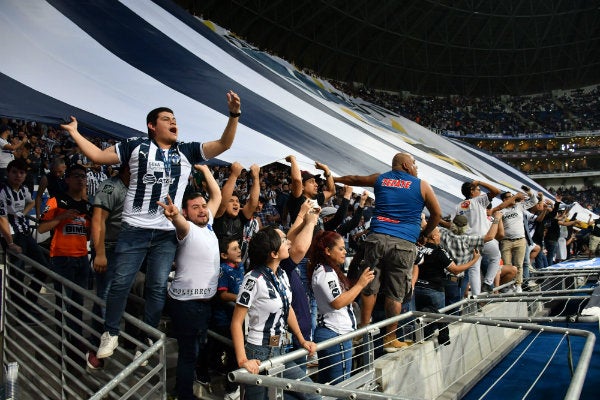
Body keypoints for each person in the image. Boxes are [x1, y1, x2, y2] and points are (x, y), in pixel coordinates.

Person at [60, 91, 241, 359]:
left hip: (166, 234)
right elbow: (97, 157)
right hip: (133, 229)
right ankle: (110, 332)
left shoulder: (188, 151)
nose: (173, 122)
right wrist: (75, 133)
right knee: (120, 283)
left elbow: (224, 144)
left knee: (156, 287)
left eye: (175, 118)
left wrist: (234, 115)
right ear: (152, 126)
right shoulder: (135, 146)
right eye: (166, 118)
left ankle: (146, 337)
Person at [334, 152, 442, 352]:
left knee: (369, 284)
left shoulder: (381, 178)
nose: (416, 167)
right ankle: (390, 339)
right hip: (403, 242)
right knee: (395, 291)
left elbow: (355, 179)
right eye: (414, 164)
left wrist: (334, 179)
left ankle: (362, 330)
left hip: (376, 238)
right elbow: (437, 214)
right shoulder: (421, 185)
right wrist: (424, 234)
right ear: (406, 165)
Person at [231, 226, 320, 400]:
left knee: (311, 393)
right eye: (284, 241)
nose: (289, 242)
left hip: (280, 350)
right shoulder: (253, 279)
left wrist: (302, 340)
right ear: (273, 253)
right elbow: (236, 322)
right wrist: (243, 360)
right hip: (258, 353)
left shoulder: (283, 275)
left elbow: (288, 309)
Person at [157, 164, 221, 400]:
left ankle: (180, 391)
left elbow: (217, 195)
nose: (203, 210)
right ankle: (183, 395)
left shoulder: (209, 224)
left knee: (195, 351)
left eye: (203, 206)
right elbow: (179, 223)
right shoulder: (188, 229)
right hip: (187, 304)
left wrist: (206, 171)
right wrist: (175, 216)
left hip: (203, 304)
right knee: (188, 354)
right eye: (195, 208)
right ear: (187, 212)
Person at [38, 164, 91, 357]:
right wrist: (62, 217)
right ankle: (64, 341)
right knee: (63, 302)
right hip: (62, 257)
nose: (80, 179)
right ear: (67, 179)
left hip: (82, 258)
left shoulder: (87, 206)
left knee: (78, 303)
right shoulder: (55, 200)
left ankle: (75, 341)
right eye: (76, 176)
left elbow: (88, 235)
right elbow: (42, 229)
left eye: (83, 177)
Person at [308, 230, 374, 384]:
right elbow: (337, 302)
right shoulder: (326, 272)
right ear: (328, 251)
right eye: (341, 248)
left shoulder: (328, 271)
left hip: (334, 333)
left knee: (329, 385)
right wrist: (360, 284)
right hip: (336, 334)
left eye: (344, 248)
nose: (345, 252)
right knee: (341, 386)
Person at [87, 165, 130, 370]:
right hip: (109, 248)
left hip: (128, 249)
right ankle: (98, 340)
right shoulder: (110, 187)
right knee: (104, 295)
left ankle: (114, 336)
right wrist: (101, 253)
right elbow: (98, 221)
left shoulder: (137, 187)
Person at [412, 227, 480, 345]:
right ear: (433, 236)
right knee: (438, 319)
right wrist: (474, 260)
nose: (440, 235)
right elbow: (455, 270)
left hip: (417, 289)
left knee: (419, 319)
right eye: (438, 233)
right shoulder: (439, 251)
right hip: (434, 290)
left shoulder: (418, 248)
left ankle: (419, 339)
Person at [0, 159, 49, 317]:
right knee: (17, 275)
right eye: (14, 172)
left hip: (25, 233)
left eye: (21, 172)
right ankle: (22, 312)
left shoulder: (23, 189)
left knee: (43, 267)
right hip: (12, 236)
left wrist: (23, 213)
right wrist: (10, 243)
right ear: (8, 173)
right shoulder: (2, 190)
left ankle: (29, 302)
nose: (18, 175)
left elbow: (31, 201)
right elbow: (2, 219)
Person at [454, 179, 503, 294]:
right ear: (472, 191)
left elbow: (456, 227)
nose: (480, 192)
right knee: (496, 257)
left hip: (469, 241)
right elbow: (497, 191)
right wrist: (480, 182)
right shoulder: (478, 201)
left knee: (474, 269)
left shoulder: (458, 206)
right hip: (484, 238)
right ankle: (487, 282)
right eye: (478, 190)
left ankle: (476, 297)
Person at [213, 162, 260, 264]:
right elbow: (223, 201)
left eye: (237, 201)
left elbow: (253, 203)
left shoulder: (241, 217)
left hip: (235, 264)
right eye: (231, 201)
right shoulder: (218, 215)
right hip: (215, 263)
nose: (235, 203)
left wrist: (256, 178)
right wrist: (234, 175)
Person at [285, 155, 335, 223]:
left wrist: (326, 170)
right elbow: (297, 180)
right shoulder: (297, 199)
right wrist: (292, 159)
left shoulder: (316, 199)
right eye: (312, 182)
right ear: (302, 186)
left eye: (315, 182)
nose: (316, 185)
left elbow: (331, 191)